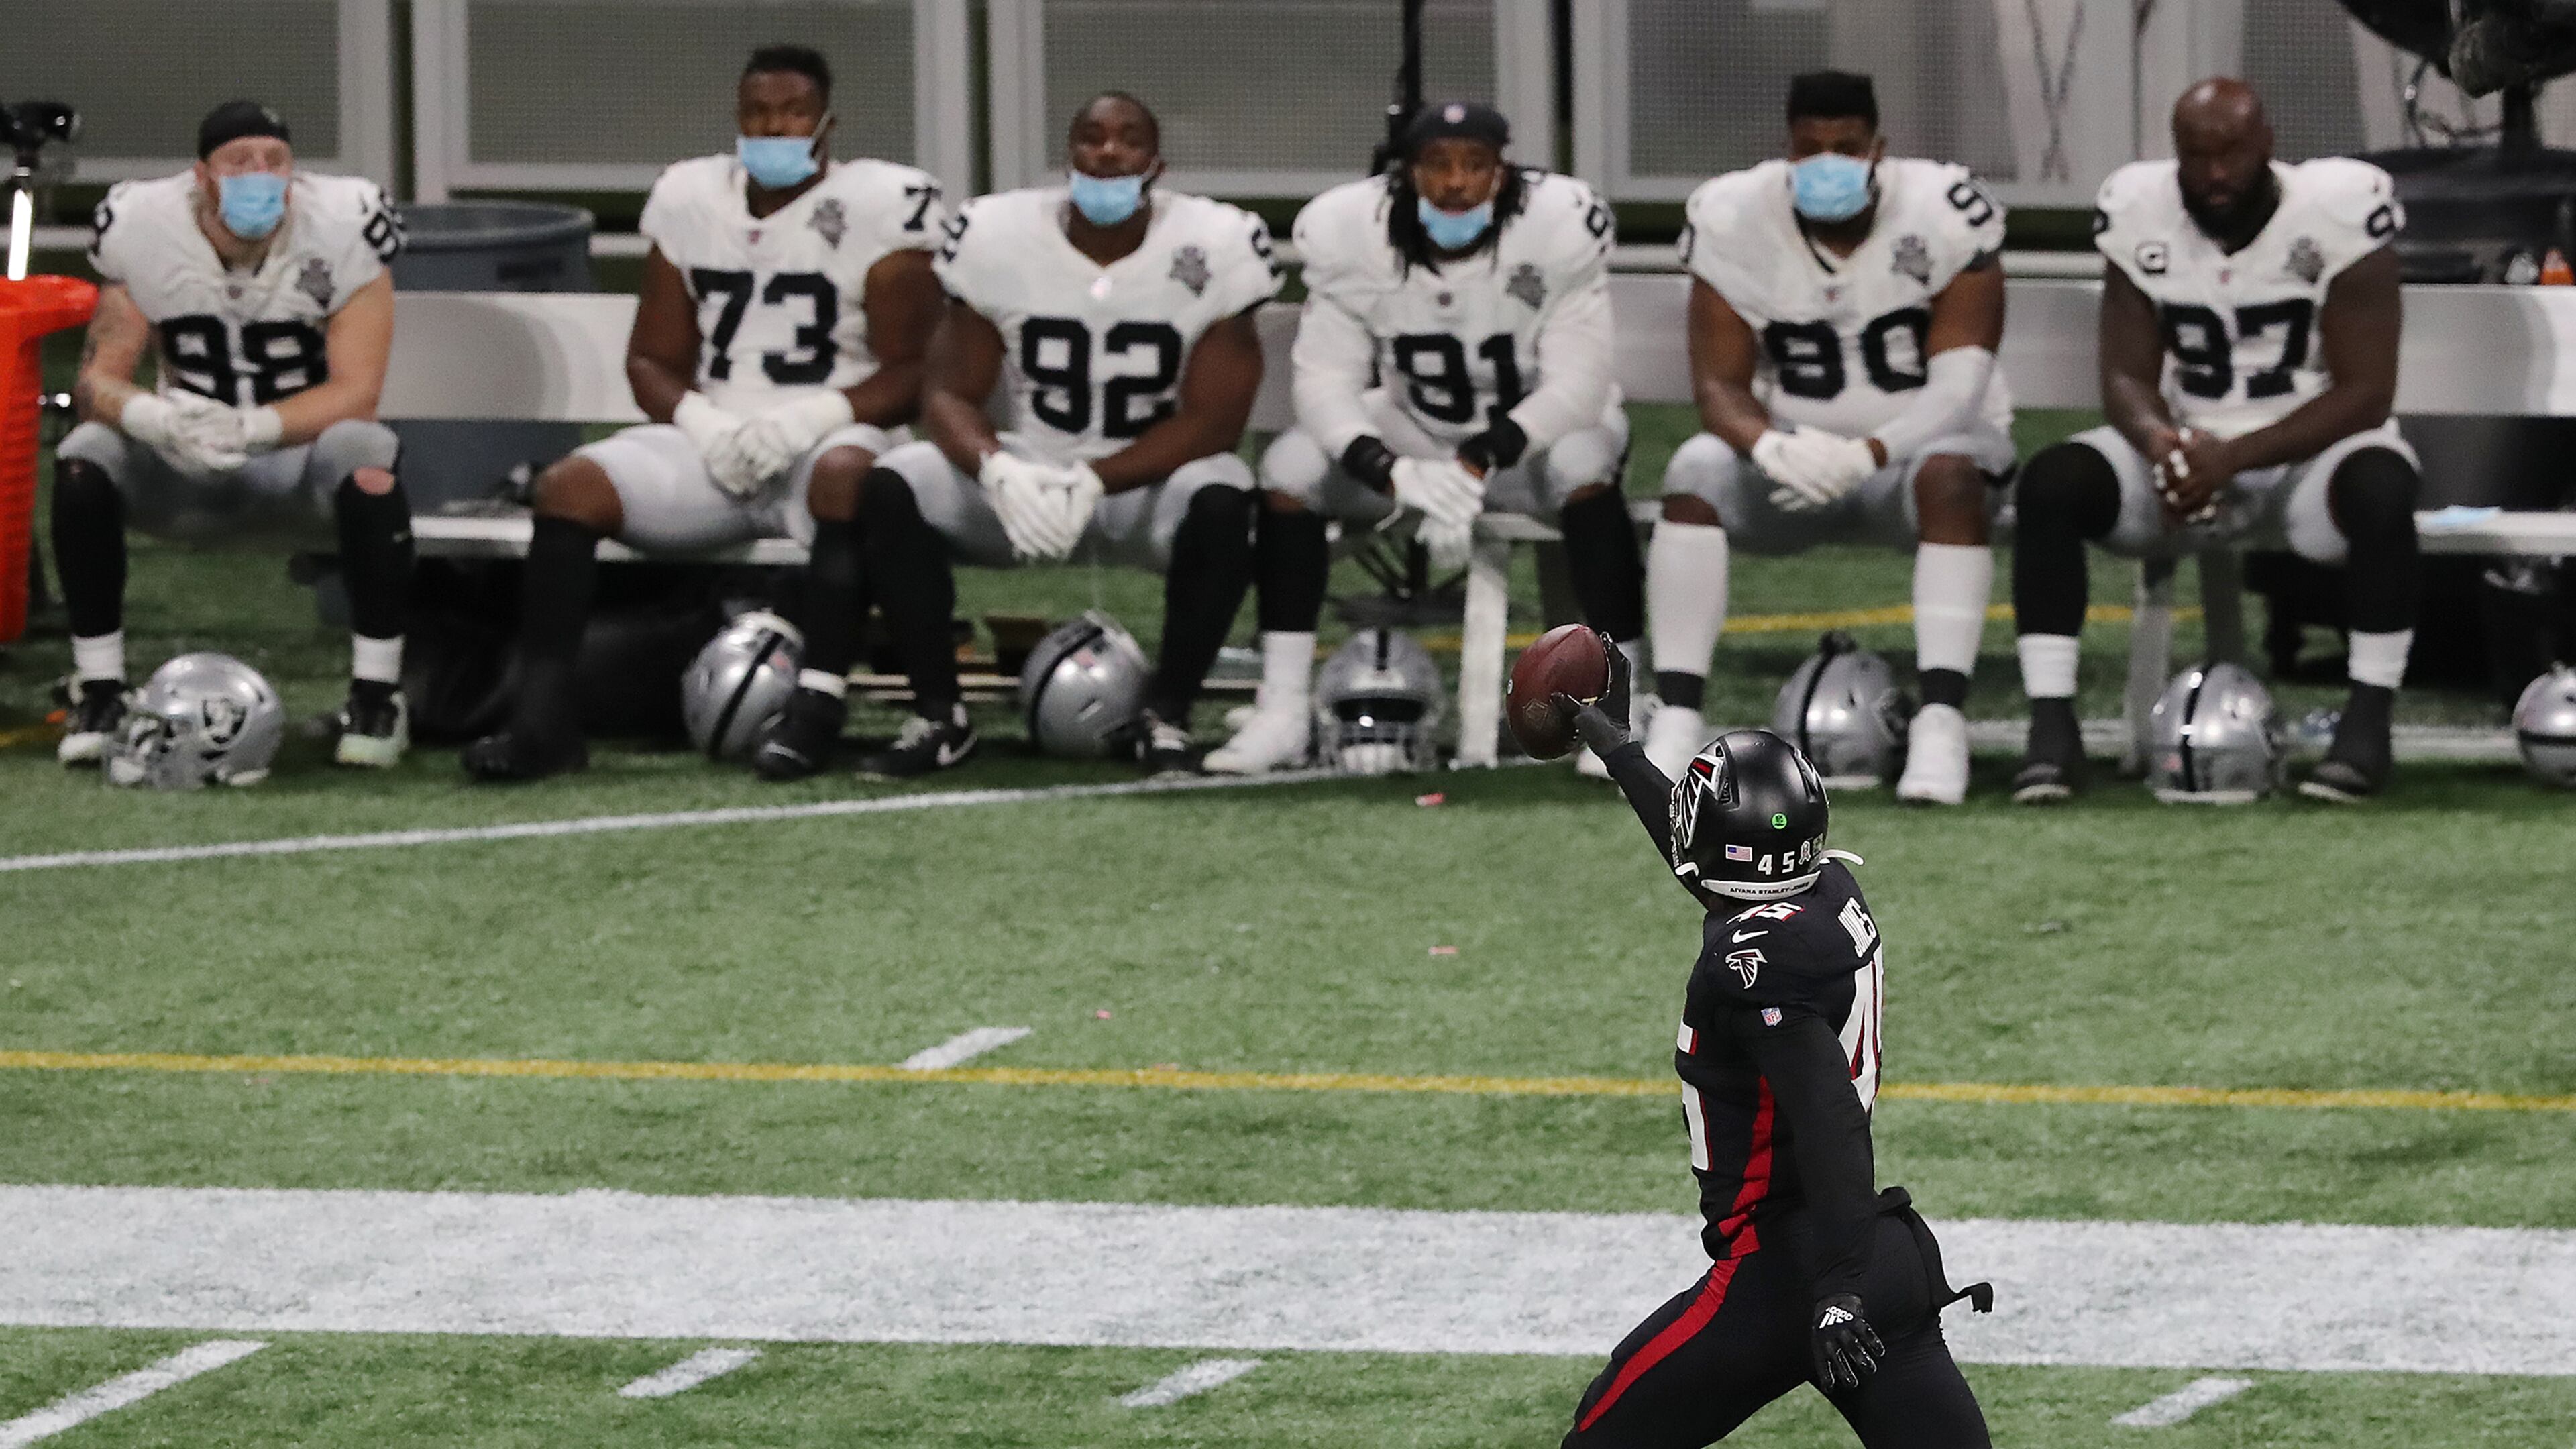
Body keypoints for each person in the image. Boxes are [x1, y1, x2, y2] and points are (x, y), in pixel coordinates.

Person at [463, 44, 947, 781]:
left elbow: (914, 372)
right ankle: (544, 721)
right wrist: (704, 424)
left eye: (793, 114)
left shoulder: (882, 204)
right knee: (570, 487)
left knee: (849, 476)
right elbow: (650, 361)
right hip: (717, 444)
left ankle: (816, 712)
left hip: (831, 433)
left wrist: (806, 421)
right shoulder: (692, 197)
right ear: (737, 118)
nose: (775, 129)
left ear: (827, 125)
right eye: (759, 113)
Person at [1548, 651, 1992, 1448]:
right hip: (1886, 1256)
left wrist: (1837, 1290)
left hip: (1790, 1268)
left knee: (1602, 1437)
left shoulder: (1749, 967)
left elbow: (1827, 1117)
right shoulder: (1826, 891)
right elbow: (1717, 866)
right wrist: (1617, 749)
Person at [839, 91, 1275, 778]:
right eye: (1092, 137)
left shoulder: (1214, 241)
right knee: (898, 485)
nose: (1108, 152)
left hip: (1145, 486)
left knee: (1224, 495)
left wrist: (1098, 478)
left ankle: (1168, 714)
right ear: (1068, 155)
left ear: (1156, 163)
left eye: (1128, 139)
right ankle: (938, 715)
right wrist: (998, 471)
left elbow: (1215, 423)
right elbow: (948, 391)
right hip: (1031, 477)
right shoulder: (999, 233)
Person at [1203, 100, 1640, 778]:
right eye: (1438, 165)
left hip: (1527, 439)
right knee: (1290, 468)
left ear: (1503, 173)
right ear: (1407, 173)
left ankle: (1623, 708)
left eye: (1475, 165)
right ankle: (1283, 706)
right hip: (1413, 431)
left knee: (1586, 457)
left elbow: (1578, 385)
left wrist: (1476, 460)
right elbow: (1325, 381)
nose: (1456, 182)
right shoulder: (1354, 232)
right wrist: (1390, 470)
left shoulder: (1557, 227)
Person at [2012, 78, 2418, 804]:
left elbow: (2365, 392)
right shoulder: (2143, 211)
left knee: (2384, 487)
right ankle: (2052, 730)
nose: (2216, 175)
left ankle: (2368, 723)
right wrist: (2166, 448)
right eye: (2197, 156)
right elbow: (2126, 376)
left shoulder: (2338, 210)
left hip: (2311, 458)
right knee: (2053, 482)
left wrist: (2229, 458)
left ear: (2267, 143)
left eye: (2231, 153)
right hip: (2191, 450)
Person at [1640, 72, 2012, 805]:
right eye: (1810, 148)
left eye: (1846, 146)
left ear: (1879, 148)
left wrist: (1871, 452)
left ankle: (1941, 719)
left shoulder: (1945, 210)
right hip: (1796, 458)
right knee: (1694, 470)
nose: (1828, 162)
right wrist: (1771, 447)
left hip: (1917, 457)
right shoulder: (1734, 215)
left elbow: (1958, 391)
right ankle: (1678, 714)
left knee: (1950, 478)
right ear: (1787, 148)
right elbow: (1719, 386)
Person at [60, 100, 411, 769]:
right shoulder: (143, 225)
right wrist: (155, 418)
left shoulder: (344, 225)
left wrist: (254, 427)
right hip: (181, 458)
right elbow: (97, 381)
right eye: (239, 161)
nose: (260, 174)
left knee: (366, 455)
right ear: (202, 175)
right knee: (85, 456)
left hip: (296, 459)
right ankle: (99, 689)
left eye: (275, 160)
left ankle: (378, 695)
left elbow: (358, 392)